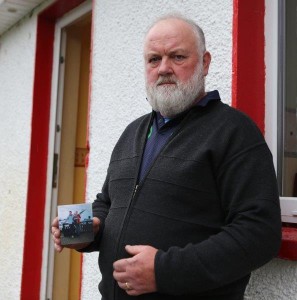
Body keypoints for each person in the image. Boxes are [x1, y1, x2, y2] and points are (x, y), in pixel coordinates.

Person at [51, 14, 282, 300]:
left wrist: (164, 270)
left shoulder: (234, 132)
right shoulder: (132, 132)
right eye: (153, 59)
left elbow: (260, 233)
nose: (164, 69)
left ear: (205, 62)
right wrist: (89, 228)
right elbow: (108, 203)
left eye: (177, 56)